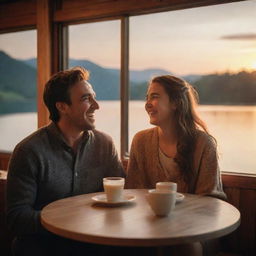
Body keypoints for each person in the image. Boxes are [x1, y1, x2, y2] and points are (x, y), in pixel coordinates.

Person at [6, 67, 125, 256]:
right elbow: (16, 218)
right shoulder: (29, 151)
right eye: (86, 99)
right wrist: (71, 220)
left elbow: (121, 196)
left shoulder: (105, 143)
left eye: (93, 97)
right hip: (43, 248)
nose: (96, 105)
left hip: (93, 245)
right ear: (62, 107)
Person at [126, 75, 226, 256]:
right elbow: (133, 191)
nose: (148, 104)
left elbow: (211, 201)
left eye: (155, 97)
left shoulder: (204, 144)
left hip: (197, 229)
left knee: (183, 245)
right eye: (147, 98)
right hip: (149, 224)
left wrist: (175, 224)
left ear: (176, 103)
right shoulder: (140, 141)